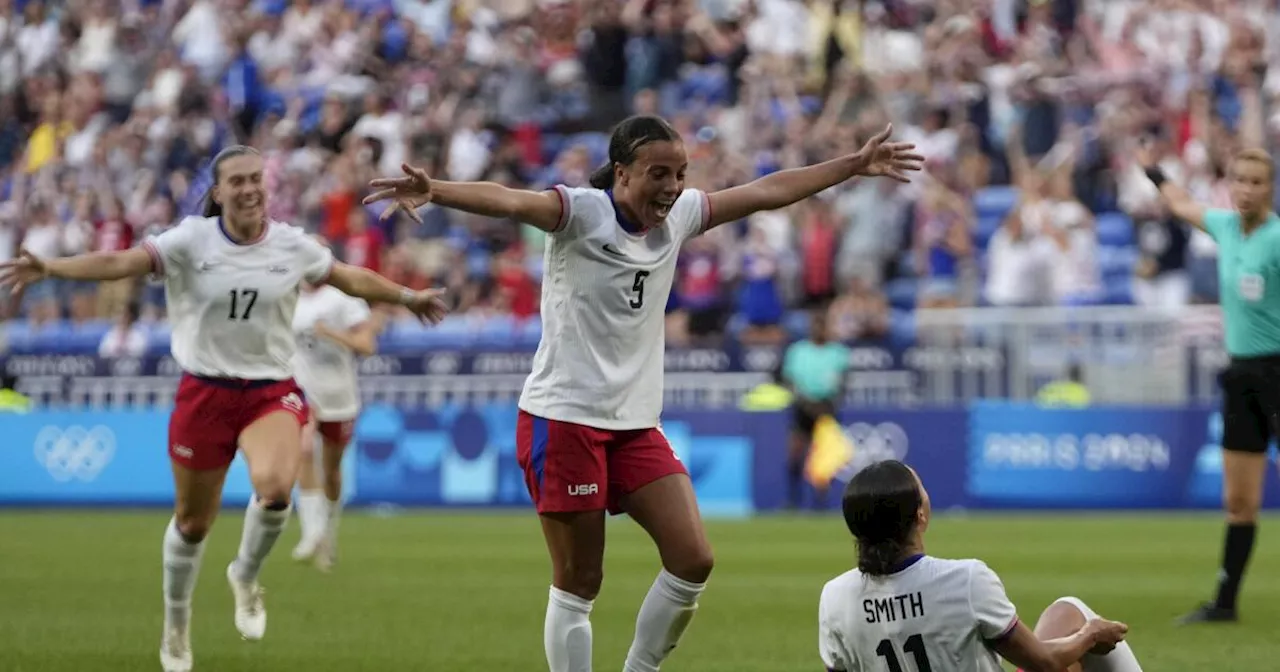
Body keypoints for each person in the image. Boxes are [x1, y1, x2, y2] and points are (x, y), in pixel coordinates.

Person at [365, 115, 923, 672]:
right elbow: (510, 201)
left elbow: (764, 192)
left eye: (680, 173)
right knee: (581, 581)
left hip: (633, 423)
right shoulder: (581, 212)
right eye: (659, 173)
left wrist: (852, 165)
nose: (674, 187)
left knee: (693, 558)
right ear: (623, 174)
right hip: (564, 418)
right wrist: (435, 190)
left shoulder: (679, 217)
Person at [0, 145, 449, 672]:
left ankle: (245, 573)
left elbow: (348, 277)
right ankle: (176, 622)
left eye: (256, 178)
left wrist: (407, 297)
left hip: (269, 391)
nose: (250, 188)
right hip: (205, 393)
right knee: (192, 524)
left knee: (277, 488)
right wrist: (52, 266)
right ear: (218, 191)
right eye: (237, 180)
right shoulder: (191, 240)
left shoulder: (291, 245)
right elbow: (120, 261)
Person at [821, 460, 1144, 672]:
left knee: (1065, 616)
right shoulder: (965, 579)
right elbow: (1044, 663)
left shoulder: (835, 595)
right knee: (1076, 616)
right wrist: (1090, 635)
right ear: (920, 515)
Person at [1139, 145, 1280, 624]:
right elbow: (1180, 204)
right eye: (1239, 179)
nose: (1246, 189)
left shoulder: (1278, 238)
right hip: (1242, 375)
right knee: (1239, 501)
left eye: (1257, 181)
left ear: (1270, 187)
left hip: (1278, 371)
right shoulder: (1224, 226)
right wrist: (1155, 172)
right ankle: (1225, 603)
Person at [290, 263, 382, 571]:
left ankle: (327, 534)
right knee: (303, 450)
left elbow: (366, 345)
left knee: (331, 470)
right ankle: (310, 533)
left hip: (339, 396)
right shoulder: (288, 298)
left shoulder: (343, 299)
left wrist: (330, 332)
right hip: (304, 390)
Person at [781, 307, 851, 509]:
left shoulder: (838, 353)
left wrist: (826, 404)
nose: (819, 330)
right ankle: (793, 500)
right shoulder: (798, 351)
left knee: (823, 457)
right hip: (803, 407)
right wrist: (804, 401)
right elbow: (790, 381)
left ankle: (820, 502)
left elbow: (842, 383)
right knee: (795, 452)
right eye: (816, 325)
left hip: (826, 408)